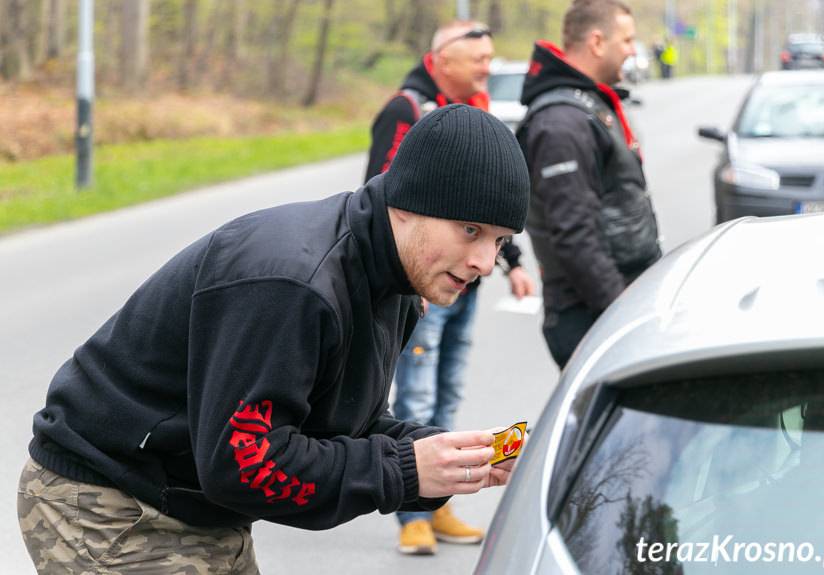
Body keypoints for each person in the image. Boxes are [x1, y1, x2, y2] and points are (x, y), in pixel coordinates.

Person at [18, 104, 529, 574]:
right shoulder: (294, 284)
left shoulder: (392, 280)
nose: (486, 262)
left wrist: (448, 457)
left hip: (196, 503)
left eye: (500, 240)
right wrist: (403, 471)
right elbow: (244, 464)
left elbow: (341, 423)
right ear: (407, 204)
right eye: (470, 230)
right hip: (110, 500)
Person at [366, 20, 535, 555]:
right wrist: (405, 282)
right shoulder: (407, 110)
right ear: (441, 60)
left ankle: (438, 503)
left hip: (464, 284)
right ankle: (413, 514)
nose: (488, 67)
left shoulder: (478, 112)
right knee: (415, 392)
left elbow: (489, 204)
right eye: (477, 58)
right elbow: (384, 194)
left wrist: (511, 262)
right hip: (422, 282)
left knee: (448, 390)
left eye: (490, 58)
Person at [517, 0, 662, 370]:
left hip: (612, 303)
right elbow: (575, 233)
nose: (632, 51)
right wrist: (621, 309)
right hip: (591, 315)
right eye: (626, 40)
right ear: (597, 42)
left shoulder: (587, 104)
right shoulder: (561, 123)